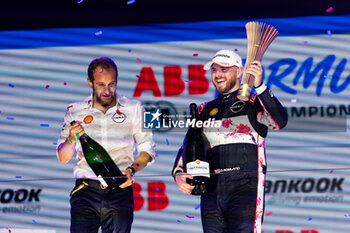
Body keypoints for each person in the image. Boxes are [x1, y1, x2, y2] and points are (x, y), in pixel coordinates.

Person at [172, 50, 288, 233]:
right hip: (212, 191)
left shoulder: (253, 102)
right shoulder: (204, 109)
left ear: (239, 72)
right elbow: (188, 145)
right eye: (214, 70)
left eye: (224, 69)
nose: (218, 75)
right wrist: (178, 173)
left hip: (245, 188)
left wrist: (260, 86)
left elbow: (279, 121)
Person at [56, 57, 156, 233]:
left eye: (112, 84)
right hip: (85, 190)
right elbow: (62, 157)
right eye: (101, 85)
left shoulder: (134, 108)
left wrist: (131, 171)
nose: (107, 90)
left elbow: (147, 149)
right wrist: (71, 139)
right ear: (90, 82)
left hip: (120, 190)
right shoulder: (74, 110)